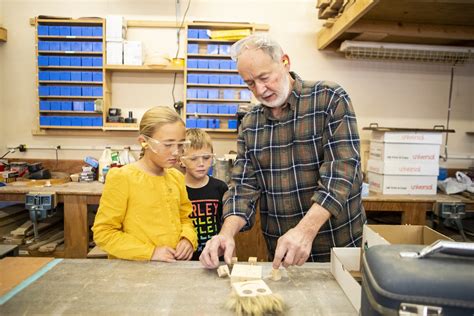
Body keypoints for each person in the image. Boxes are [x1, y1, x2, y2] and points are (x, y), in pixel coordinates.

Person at [200, 34, 366, 269]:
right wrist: (226, 233)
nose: (259, 89)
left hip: (338, 246)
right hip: (282, 252)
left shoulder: (329, 99)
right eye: (249, 83)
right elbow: (243, 187)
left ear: (285, 62)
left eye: (264, 77)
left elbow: (341, 173)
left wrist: (304, 231)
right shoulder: (251, 123)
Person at [92, 106, 197, 262]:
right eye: (168, 145)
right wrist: (150, 252)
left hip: (172, 267)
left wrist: (188, 239)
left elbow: (185, 219)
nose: (176, 152)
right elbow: (104, 233)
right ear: (144, 142)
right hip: (133, 272)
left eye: (181, 144)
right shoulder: (122, 178)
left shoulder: (176, 177)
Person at [179, 128, 228, 260]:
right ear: (181, 160)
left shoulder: (221, 188)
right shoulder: (176, 189)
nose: (201, 164)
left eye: (206, 158)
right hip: (185, 260)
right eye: (193, 158)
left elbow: (226, 228)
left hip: (215, 257)